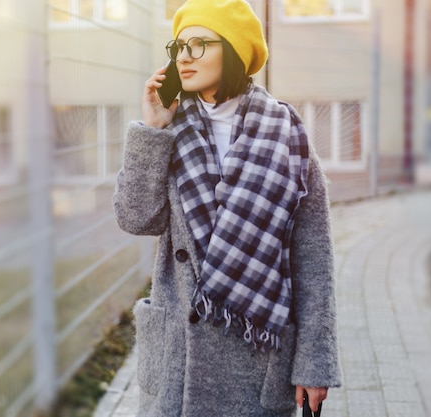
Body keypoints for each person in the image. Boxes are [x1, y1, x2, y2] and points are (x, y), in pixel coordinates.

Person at [113, 0, 342, 415]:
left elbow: (313, 257)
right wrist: (151, 129)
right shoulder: (170, 129)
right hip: (177, 363)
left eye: (199, 44)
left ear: (234, 49)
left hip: (254, 361)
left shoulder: (287, 137)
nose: (184, 57)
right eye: (178, 47)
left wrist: (315, 361)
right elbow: (135, 217)